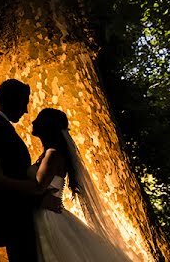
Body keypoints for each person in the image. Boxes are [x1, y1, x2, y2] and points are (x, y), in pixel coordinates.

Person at [11, 108, 135, 262]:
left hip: (47, 217)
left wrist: (1, 180)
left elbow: (38, 187)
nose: (33, 121)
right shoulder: (48, 154)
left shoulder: (52, 154)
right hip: (42, 213)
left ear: (47, 126)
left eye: (39, 119)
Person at [0, 79, 62, 262]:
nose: (25, 110)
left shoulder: (0, 127)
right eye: (24, 103)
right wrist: (40, 197)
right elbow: (2, 178)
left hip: (20, 215)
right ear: (10, 100)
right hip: (14, 216)